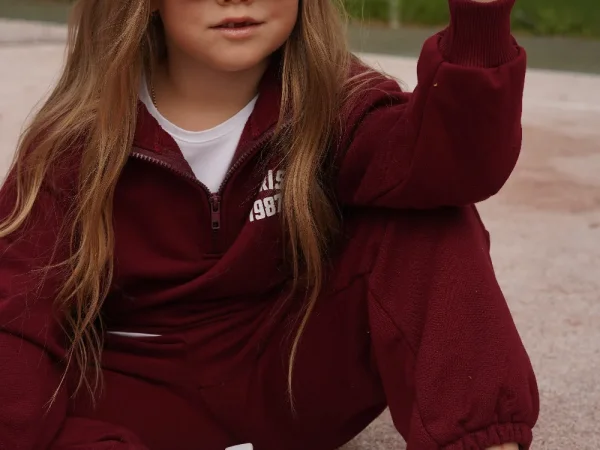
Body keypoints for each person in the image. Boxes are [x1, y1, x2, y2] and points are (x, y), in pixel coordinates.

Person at [0, 0, 539, 448]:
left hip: (294, 384)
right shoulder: (77, 142)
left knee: (426, 213)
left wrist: (480, 20)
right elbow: (16, 312)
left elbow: (450, 166)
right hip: (143, 401)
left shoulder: (334, 102)